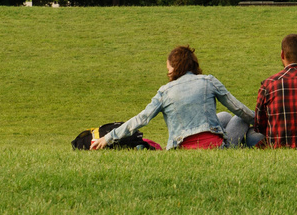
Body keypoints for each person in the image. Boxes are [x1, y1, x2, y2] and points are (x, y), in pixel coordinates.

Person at [91, 45, 256, 151]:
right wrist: (261, 121)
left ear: (174, 68)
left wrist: (108, 138)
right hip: (214, 148)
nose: (167, 72)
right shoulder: (208, 81)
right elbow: (239, 109)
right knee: (239, 118)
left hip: (180, 149)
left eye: (168, 68)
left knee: (225, 117)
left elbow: (140, 119)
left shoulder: (164, 92)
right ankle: (247, 144)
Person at [231, 33, 297, 149]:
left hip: (277, 145)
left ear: (282, 54)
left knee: (251, 135)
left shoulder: (268, 84)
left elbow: (260, 126)